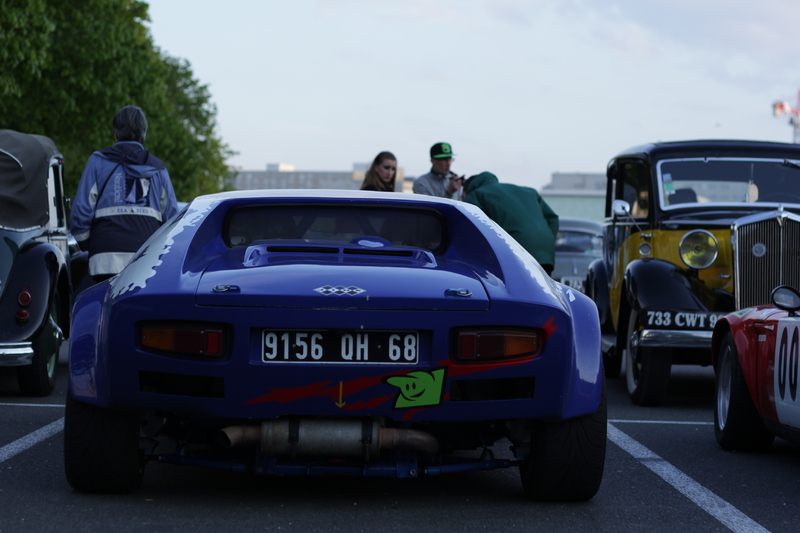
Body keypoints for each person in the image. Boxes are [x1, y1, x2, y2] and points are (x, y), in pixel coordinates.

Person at [71, 105, 178, 283]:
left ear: (116, 133)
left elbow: (80, 212)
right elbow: (173, 220)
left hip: (104, 259)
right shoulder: (158, 169)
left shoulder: (97, 162)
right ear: (144, 133)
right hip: (147, 260)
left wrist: (90, 245)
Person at [462, 171, 559, 275]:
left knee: (516, 289)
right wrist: (548, 238)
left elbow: (469, 226)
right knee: (542, 290)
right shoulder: (530, 191)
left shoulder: (476, 195)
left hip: (516, 253)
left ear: (468, 188)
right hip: (545, 253)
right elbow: (553, 218)